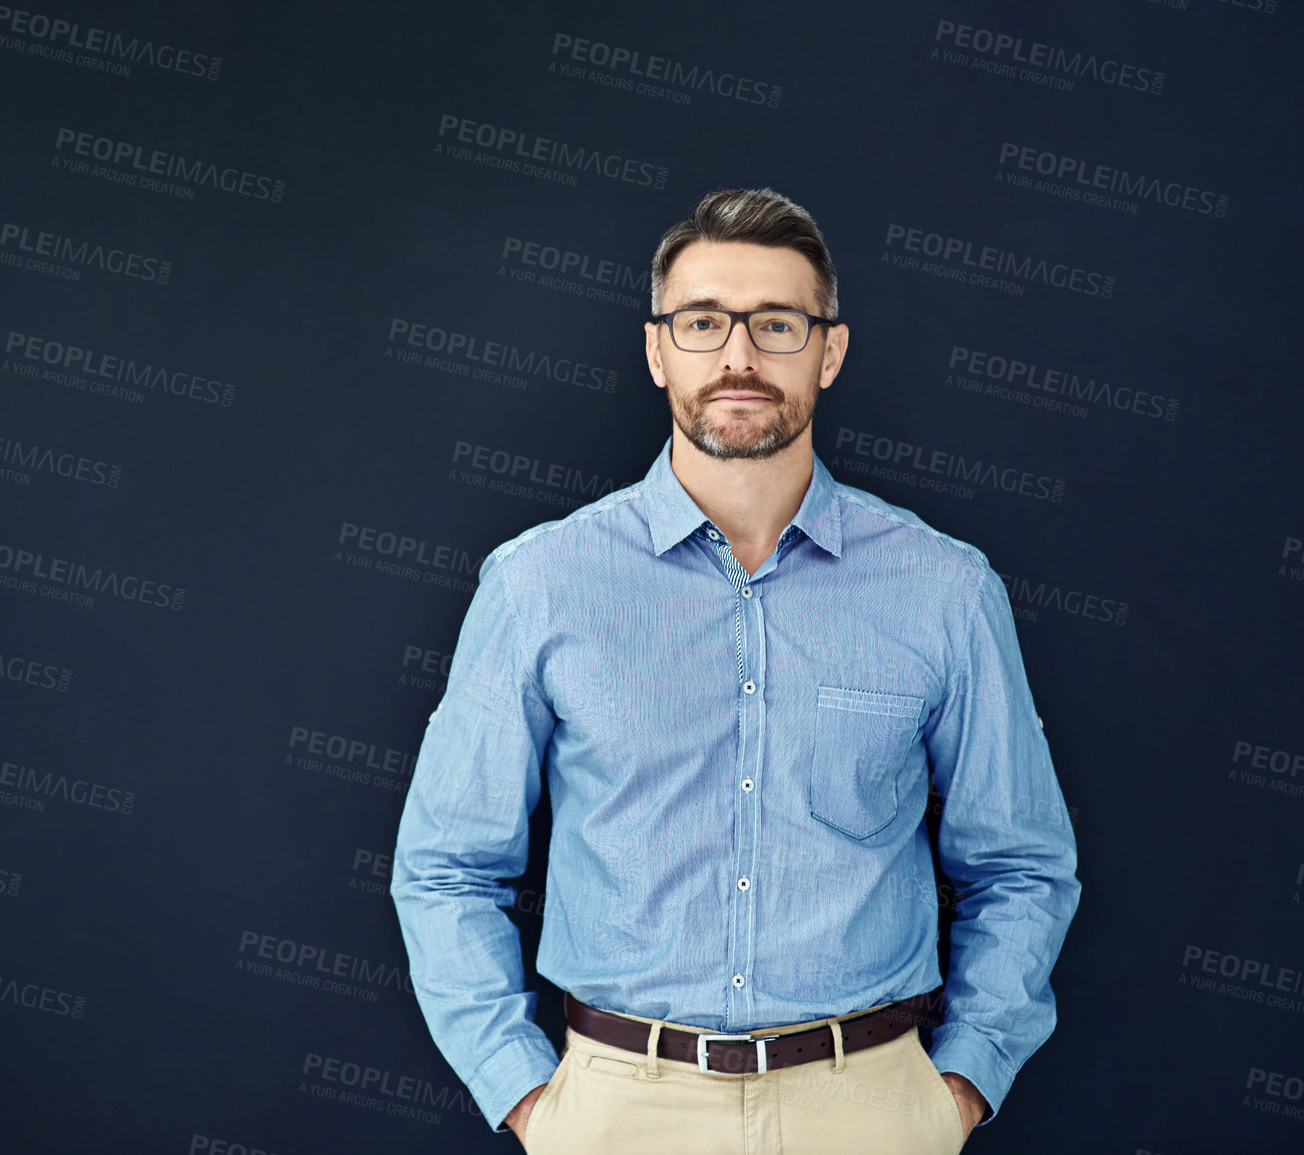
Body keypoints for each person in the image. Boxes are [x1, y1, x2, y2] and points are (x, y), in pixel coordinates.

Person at [390, 187, 1081, 1153]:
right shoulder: (538, 583)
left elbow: (1021, 863)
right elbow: (446, 866)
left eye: (777, 323)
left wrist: (958, 1084)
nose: (738, 357)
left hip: (870, 1109)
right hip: (620, 1110)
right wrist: (527, 1096)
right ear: (655, 348)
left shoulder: (944, 589)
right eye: (704, 321)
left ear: (829, 352)